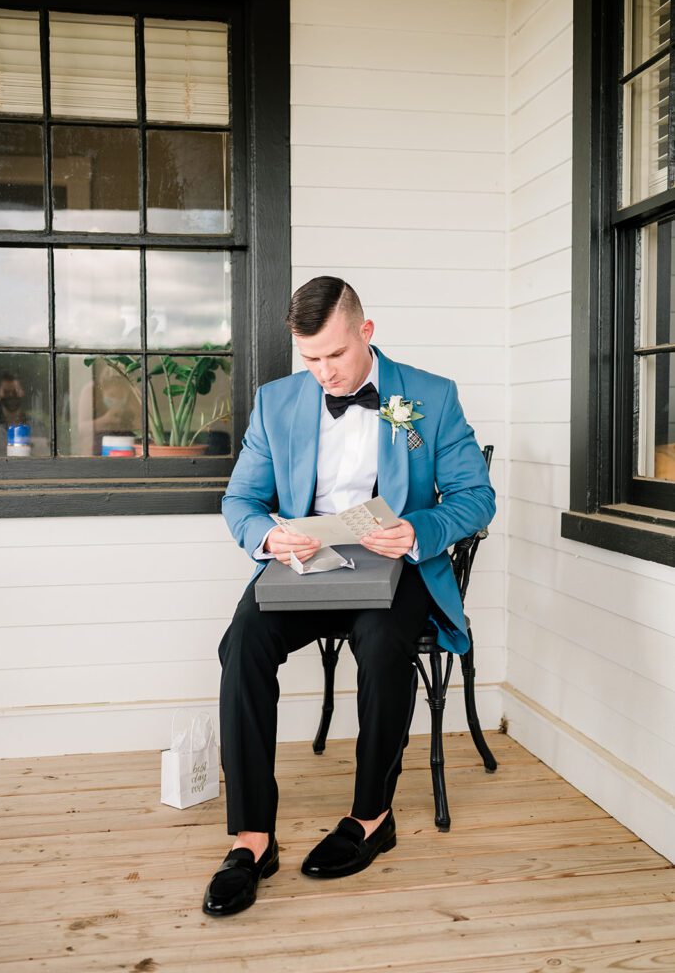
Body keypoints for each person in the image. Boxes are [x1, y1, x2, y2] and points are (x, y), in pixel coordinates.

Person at [203, 276, 496, 917]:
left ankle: (371, 817)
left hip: (398, 566)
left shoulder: (429, 397)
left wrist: (420, 528)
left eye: (335, 356)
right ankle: (252, 838)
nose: (324, 373)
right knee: (243, 642)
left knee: (384, 642)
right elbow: (240, 500)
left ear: (366, 333)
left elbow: (477, 499)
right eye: (310, 359)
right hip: (308, 563)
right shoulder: (277, 401)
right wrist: (268, 539)